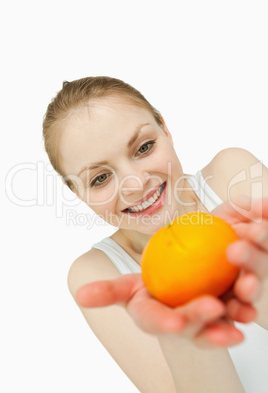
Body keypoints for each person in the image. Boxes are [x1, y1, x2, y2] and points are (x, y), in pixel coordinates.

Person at [43, 76, 268, 392]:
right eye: (100, 178)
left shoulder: (233, 177)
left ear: (165, 128)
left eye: (144, 147)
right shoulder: (99, 274)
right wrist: (183, 339)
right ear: (77, 192)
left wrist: (256, 282)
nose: (135, 183)